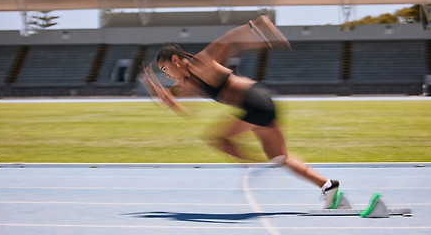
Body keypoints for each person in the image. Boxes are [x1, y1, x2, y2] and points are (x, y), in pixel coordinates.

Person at [140, 15, 340, 208]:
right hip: (260, 104)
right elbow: (175, 105)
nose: (166, 75)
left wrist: (257, 25)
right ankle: (327, 185)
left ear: (175, 59)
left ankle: (254, 167)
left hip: (256, 102)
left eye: (165, 69)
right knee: (279, 158)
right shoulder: (189, 82)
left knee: (218, 139)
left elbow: (227, 41)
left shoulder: (200, 64)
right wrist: (152, 86)